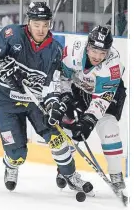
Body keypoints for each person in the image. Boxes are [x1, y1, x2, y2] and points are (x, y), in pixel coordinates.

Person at [0, 2, 93, 197]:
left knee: (57, 138)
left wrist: (54, 104)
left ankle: (70, 174)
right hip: (7, 103)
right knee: (17, 155)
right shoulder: (11, 35)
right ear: (28, 22)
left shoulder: (54, 49)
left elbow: (52, 83)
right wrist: (3, 70)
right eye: (37, 24)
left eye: (45, 25)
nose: (41, 29)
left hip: (36, 103)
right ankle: (11, 163)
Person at [43, 25, 127, 195]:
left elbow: (102, 98)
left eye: (102, 52)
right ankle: (65, 169)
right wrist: (65, 96)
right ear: (88, 46)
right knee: (69, 129)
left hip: (108, 93)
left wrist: (89, 120)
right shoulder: (73, 51)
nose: (97, 56)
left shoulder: (113, 64)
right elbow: (62, 76)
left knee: (108, 129)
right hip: (79, 91)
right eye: (94, 50)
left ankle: (116, 175)